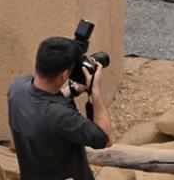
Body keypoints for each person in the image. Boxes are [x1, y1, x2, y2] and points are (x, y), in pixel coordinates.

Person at [7, 36, 112, 180]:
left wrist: (73, 89)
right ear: (64, 75)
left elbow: (44, 102)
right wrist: (95, 91)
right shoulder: (62, 117)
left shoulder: (17, 88)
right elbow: (104, 139)